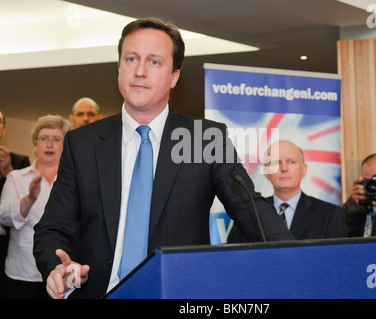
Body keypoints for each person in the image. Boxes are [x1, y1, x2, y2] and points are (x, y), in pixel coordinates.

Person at [33, 17, 294, 299]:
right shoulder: (82, 143)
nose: (140, 71)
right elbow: (52, 228)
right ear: (119, 68)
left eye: (154, 62)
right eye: (131, 59)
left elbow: (250, 209)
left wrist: (301, 262)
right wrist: (58, 267)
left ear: (174, 77)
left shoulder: (203, 139)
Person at [0, 114, 70, 298]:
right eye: (43, 138)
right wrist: (29, 199)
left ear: (65, 145)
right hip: (22, 274)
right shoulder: (16, 177)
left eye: (56, 139)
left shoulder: (74, 180)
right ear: (35, 144)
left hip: (64, 273)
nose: (49, 144)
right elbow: (3, 217)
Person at [228, 140, 346, 243]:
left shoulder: (330, 214)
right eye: (276, 162)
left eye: (291, 162)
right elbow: (233, 260)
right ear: (266, 172)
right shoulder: (249, 214)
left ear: (304, 170)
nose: (284, 168)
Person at [0, 111, 30, 299]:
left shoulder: (19, 161)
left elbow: (24, 201)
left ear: (3, 128)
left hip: (6, 243)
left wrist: (7, 173)